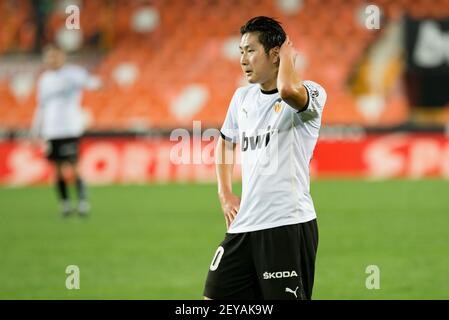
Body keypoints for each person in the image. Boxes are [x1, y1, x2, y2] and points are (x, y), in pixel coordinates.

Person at [203, 17, 327, 300]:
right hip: (245, 225)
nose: (243, 59)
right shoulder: (242, 98)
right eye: (241, 51)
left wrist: (287, 59)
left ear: (275, 54)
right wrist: (225, 193)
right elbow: (225, 142)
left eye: (251, 50)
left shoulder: (312, 92)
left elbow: (287, 91)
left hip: (286, 224)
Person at [31, 44, 100, 217]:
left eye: (55, 56)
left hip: (69, 128)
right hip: (51, 130)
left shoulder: (73, 74)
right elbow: (41, 106)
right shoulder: (45, 79)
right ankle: (65, 204)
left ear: (62, 56)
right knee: (58, 169)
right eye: (49, 57)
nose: (52, 60)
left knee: (74, 165)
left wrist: (88, 81)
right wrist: (35, 129)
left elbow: (94, 83)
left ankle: (83, 203)